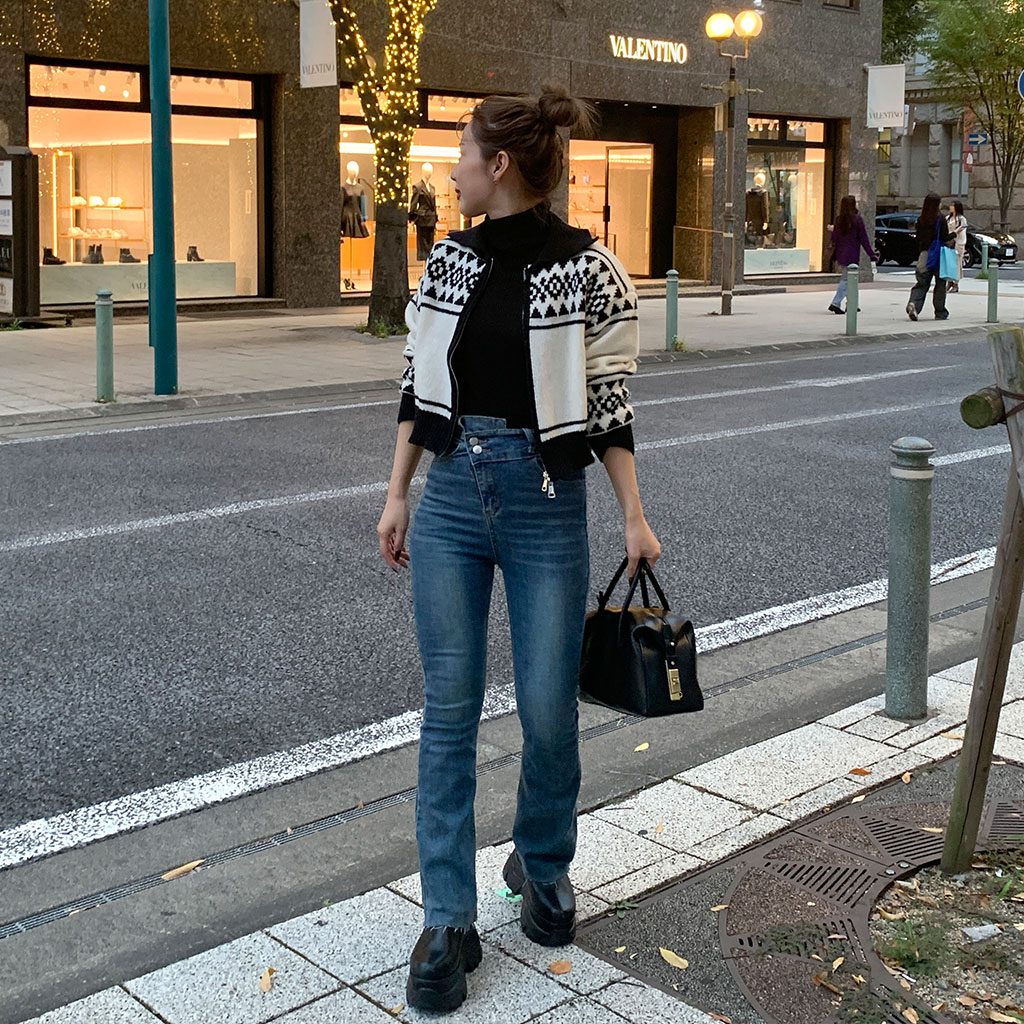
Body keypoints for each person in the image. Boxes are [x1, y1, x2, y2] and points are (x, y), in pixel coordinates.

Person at [376, 83, 661, 1015]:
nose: (452, 168)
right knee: (449, 712)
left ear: (498, 165)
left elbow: (610, 407)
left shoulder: (591, 271)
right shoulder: (447, 262)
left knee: (546, 707)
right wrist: (398, 493)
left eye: (462, 153)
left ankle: (540, 864)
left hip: (546, 503)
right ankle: (445, 918)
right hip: (455, 494)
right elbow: (418, 387)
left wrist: (633, 515)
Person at [827, 195, 878, 314]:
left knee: (851, 280)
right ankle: (836, 303)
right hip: (853, 253)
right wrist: (871, 254)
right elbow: (864, 239)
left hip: (841, 253)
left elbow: (834, 239)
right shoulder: (857, 220)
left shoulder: (839, 220)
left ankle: (853, 303)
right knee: (847, 280)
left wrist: (832, 231)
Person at [907, 192, 954, 321]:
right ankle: (940, 312)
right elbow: (944, 238)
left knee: (922, 283)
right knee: (940, 284)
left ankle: (914, 303)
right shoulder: (940, 219)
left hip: (924, 254)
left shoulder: (921, 219)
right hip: (938, 255)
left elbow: (918, 238)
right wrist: (954, 234)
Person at [946, 200, 967, 292]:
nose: (950, 207)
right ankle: (949, 281)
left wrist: (956, 233)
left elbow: (962, 231)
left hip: (958, 243)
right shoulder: (948, 218)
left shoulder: (961, 219)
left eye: (952, 206)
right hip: (949, 243)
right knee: (949, 263)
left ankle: (956, 283)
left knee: (957, 264)